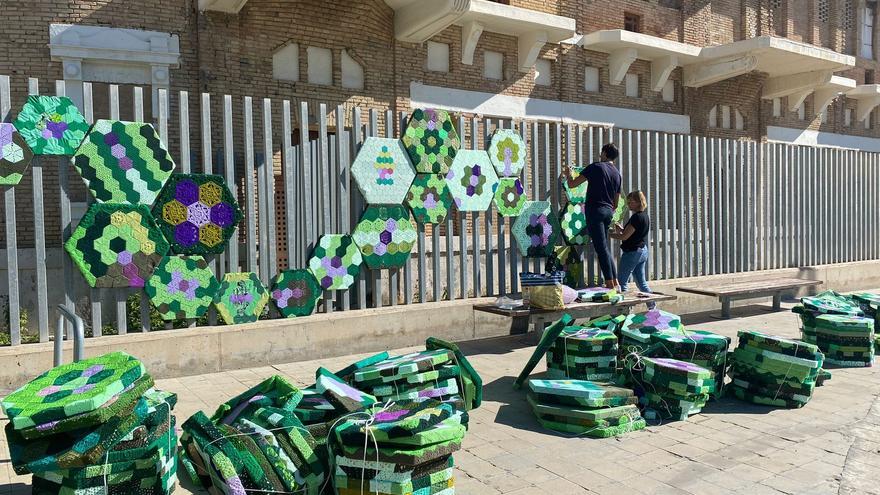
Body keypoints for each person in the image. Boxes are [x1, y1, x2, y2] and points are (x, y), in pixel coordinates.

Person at [563, 143, 621, 289]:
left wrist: (569, 175)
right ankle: (616, 282)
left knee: (601, 248)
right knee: (605, 247)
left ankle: (610, 284)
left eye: (601, 152)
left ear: (605, 153)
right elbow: (616, 200)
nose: (600, 155)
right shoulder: (617, 173)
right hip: (608, 211)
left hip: (595, 211)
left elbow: (572, 184)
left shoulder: (595, 167)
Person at [610, 190, 654, 308]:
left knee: (622, 282)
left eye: (631, 202)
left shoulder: (636, 218)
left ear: (638, 202)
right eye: (628, 201)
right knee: (641, 283)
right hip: (642, 251)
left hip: (633, 252)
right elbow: (630, 233)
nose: (629, 204)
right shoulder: (644, 216)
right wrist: (621, 229)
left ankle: (624, 310)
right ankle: (652, 308)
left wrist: (607, 235)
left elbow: (624, 236)